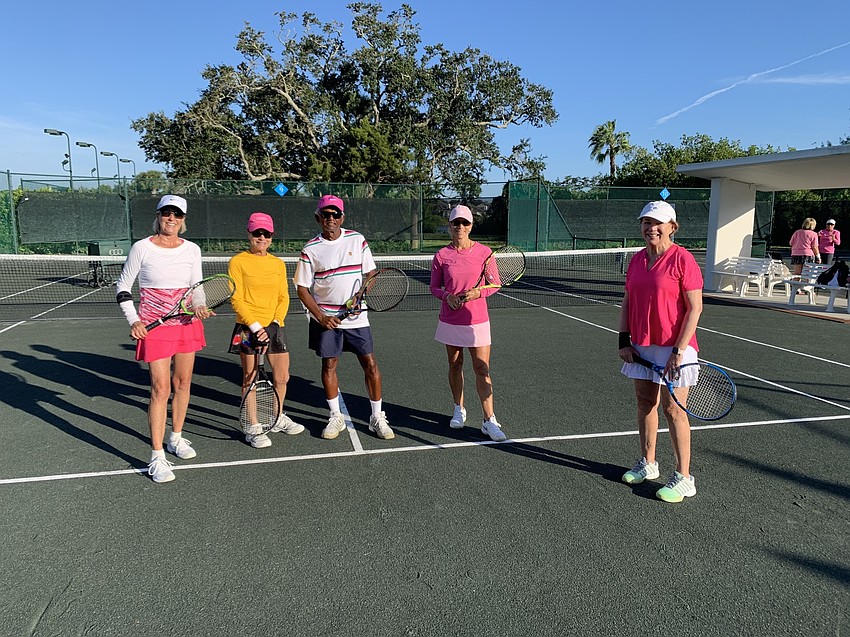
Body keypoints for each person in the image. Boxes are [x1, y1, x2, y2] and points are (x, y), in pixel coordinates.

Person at [116, 195, 211, 484]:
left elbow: (197, 287)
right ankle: (157, 456)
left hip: (187, 325)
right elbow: (123, 286)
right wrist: (134, 319)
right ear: (158, 216)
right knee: (161, 388)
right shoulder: (141, 248)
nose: (172, 219)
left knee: (183, 384)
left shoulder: (192, 250)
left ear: (183, 220)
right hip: (155, 329)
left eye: (177, 215)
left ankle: (176, 438)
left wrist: (200, 304)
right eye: (167, 213)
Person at [617, 200, 703, 503]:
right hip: (641, 344)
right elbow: (628, 301)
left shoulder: (683, 259)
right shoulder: (637, 259)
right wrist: (623, 340)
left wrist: (678, 351)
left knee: (674, 410)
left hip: (675, 347)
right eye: (645, 222)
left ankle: (684, 478)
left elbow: (695, 308)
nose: (651, 228)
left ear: (672, 227)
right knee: (645, 404)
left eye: (658, 223)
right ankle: (648, 463)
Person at [293, 194, 394, 441]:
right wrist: (321, 317)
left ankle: (377, 417)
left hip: (357, 318)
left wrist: (361, 294)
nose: (331, 219)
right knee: (329, 365)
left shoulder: (357, 240)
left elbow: (370, 273)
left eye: (335, 214)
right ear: (318, 218)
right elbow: (302, 288)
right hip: (326, 318)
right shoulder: (310, 249)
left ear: (342, 218)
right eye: (326, 214)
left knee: (369, 363)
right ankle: (335, 415)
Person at [428, 204, 508, 442]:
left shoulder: (485, 253)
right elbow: (434, 287)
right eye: (456, 223)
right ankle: (458, 409)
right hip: (451, 319)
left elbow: (495, 284)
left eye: (465, 223)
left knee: (482, 369)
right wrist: (447, 297)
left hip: (477, 322)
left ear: (471, 226)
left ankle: (488, 420)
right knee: (455, 366)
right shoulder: (442, 255)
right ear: (450, 227)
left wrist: (477, 293)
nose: (460, 227)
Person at [227, 212, 305, 449]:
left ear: (272, 237)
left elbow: (283, 297)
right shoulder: (238, 262)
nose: (261, 237)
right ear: (248, 234)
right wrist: (255, 327)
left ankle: (276, 417)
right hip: (248, 328)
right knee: (249, 379)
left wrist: (273, 324)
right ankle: (252, 427)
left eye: (266, 233)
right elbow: (236, 299)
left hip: (274, 327)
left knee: (282, 376)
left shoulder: (277, 264)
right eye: (257, 233)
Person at [789, 217, 821, 282]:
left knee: (797, 273)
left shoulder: (797, 232)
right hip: (808, 254)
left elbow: (791, 243)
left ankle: (796, 288)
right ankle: (808, 288)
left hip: (796, 253)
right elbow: (815, 247)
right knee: (808, 273)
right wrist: (818, 257)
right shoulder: (814, 234)